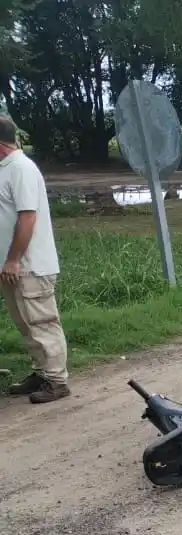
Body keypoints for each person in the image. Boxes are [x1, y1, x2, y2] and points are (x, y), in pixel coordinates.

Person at [0, 115, 69, 403]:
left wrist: (14, 258)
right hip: (12, 265)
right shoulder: (6, 168)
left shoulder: (21, 168)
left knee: (41, 322)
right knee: (26, 325)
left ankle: (56, 380)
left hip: (29, 265)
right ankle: (42, 371)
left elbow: (28, 217)